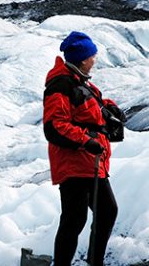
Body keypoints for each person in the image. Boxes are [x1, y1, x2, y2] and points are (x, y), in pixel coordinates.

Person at [43, 31, 123, 266]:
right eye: (92, 56)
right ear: (82, 58)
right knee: (74, 220)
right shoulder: (61, 84)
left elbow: (86, 109)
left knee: (105, 213)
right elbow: (55, 126)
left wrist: (108, 108)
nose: (95, 59)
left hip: (91, 163)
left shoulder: (78, 81)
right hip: (74, 163)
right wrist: (86, 140)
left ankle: (94, 262)